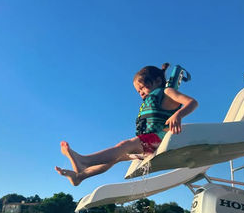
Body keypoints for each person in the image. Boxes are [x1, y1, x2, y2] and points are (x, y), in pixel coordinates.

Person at [55, 63, 198, 186]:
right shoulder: (154, 97)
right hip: (148, 145)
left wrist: (178, 114)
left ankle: (85, 161)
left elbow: (192, 102)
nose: (141, 93)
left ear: (158, 81)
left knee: (124, 145)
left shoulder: (167, 91)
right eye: (138, 91)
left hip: (159, 141)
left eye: (144, 87)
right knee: (114, 158)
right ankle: (80, 177)